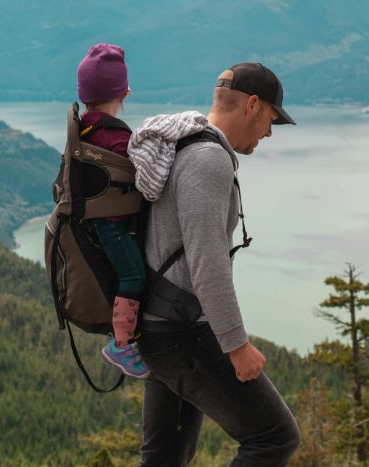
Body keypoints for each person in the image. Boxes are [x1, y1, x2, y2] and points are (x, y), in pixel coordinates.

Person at [127, 63, 300, 466]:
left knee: (164, 458)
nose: (270, 133)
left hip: (157, 325)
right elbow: (207, 263)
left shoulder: (181, 144)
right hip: (184, 334)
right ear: (252, 105)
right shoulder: (208, 159)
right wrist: (236, 345)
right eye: (271, 120)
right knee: (274, 437)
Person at [75, 42, 149, 378]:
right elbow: (144, 177)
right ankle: (121, 344)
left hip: (94, 223)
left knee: (124, 275)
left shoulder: (84, 130)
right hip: (114, 226)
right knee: (134, 275)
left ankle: (123, 336)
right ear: (124, 93)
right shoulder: (116, 139)